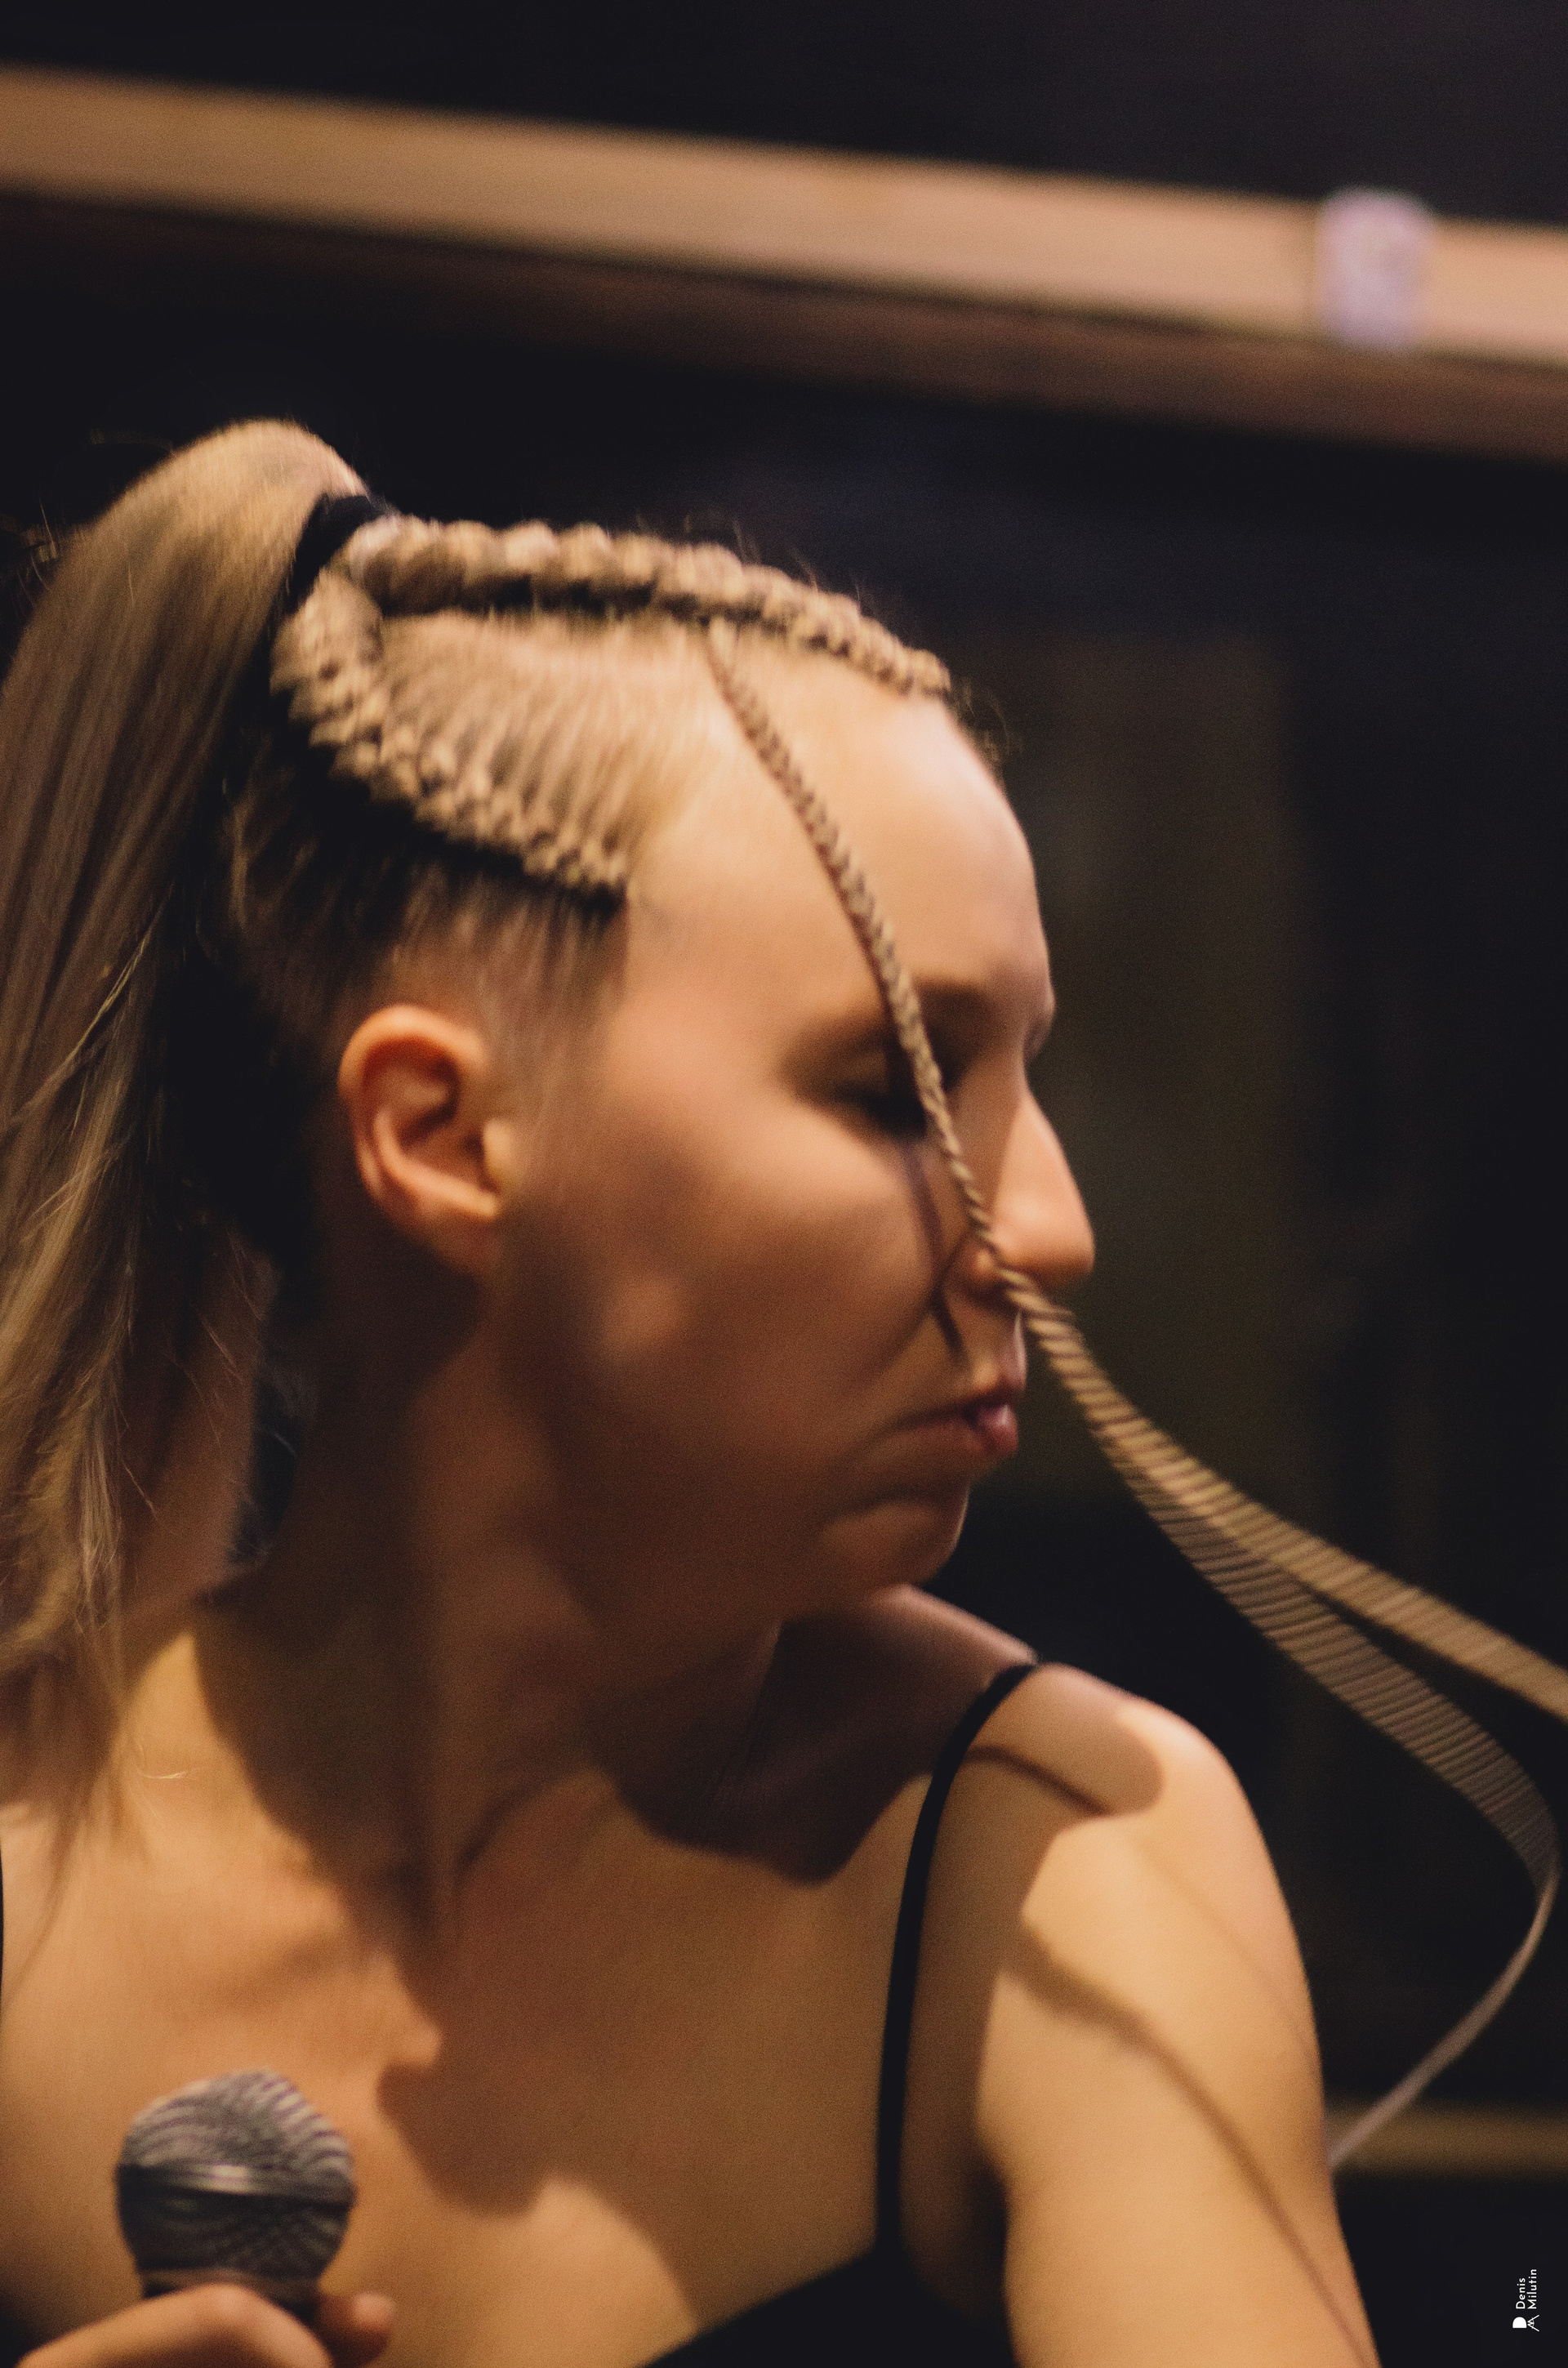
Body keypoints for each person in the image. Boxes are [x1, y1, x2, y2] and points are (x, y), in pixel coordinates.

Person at [0, 421, 1376, 2367]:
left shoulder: (1066, 1870)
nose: (1050, 1230)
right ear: (439, 1134)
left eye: (1029, 1075)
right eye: (895, 1088)